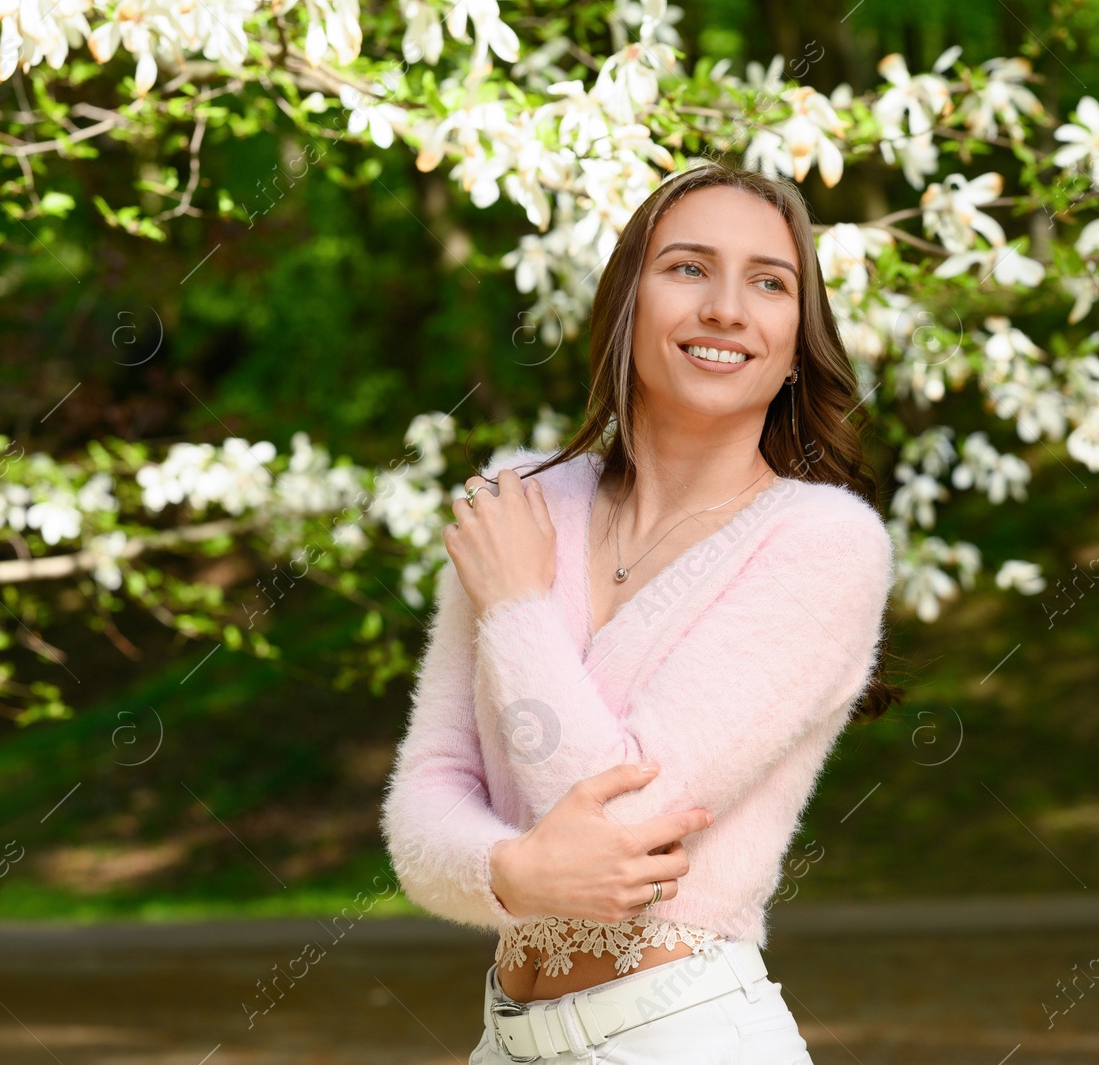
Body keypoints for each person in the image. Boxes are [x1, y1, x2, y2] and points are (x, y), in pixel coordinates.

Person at [381, 160, 902, 1064]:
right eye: (689, 267)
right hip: (504, 1038)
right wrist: (512, 871)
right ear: (629, 303)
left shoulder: (824, 542)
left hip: (681, 1034)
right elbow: (425, 797)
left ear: (793, 340)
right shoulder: (523, 497)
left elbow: (629, 834)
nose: (727, 309)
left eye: (769, 283)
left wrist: (516, 606)